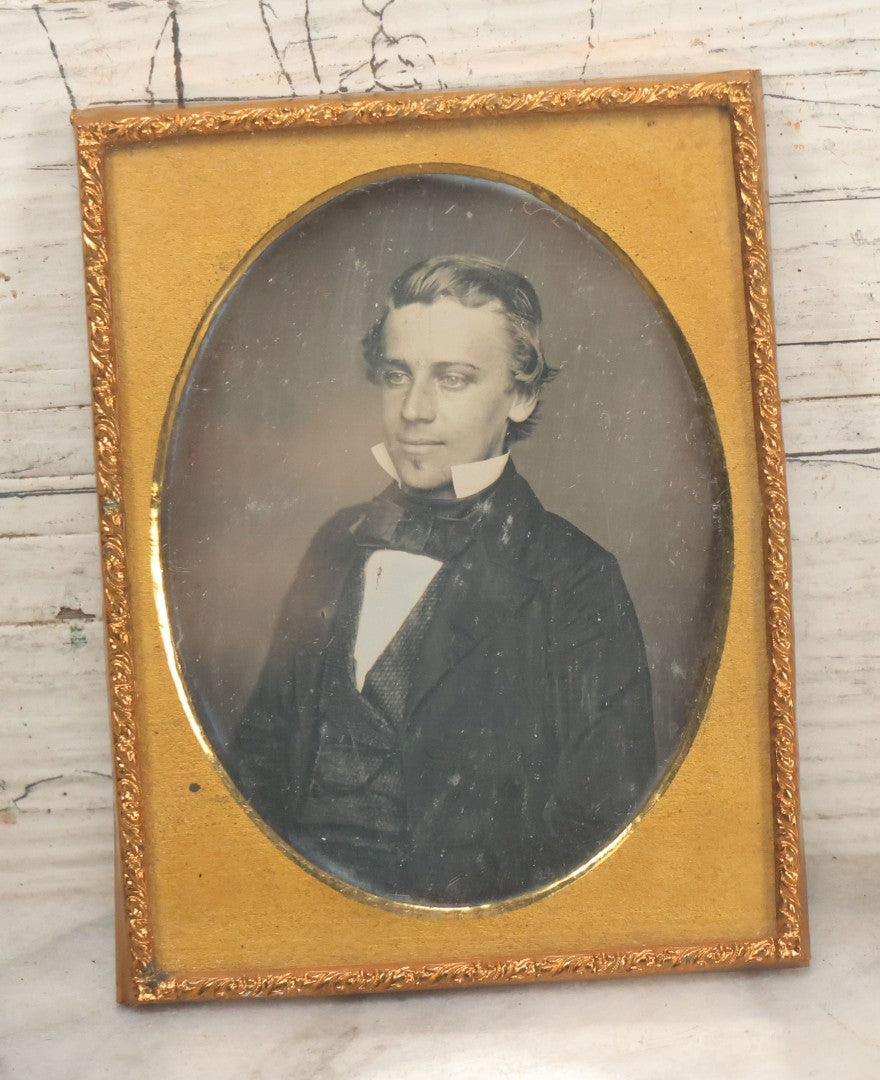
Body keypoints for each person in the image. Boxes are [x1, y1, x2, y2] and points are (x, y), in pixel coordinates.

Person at [230, 254, 655, 906]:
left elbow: (601, 822)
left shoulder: (575, 578)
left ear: (521, 394)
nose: (413, 411)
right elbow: (261, 754)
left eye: (453, 380)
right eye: (397, 376)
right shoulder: (338, 542)